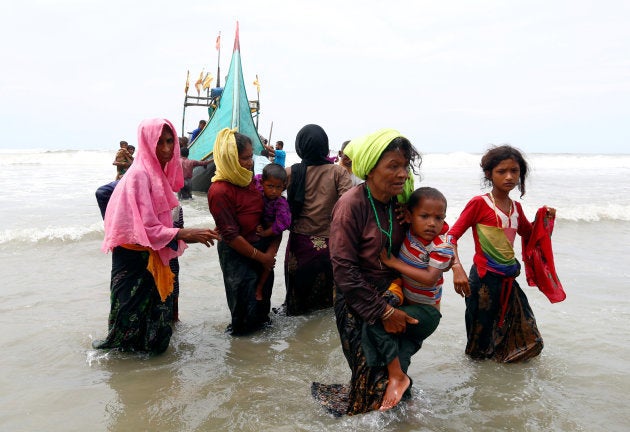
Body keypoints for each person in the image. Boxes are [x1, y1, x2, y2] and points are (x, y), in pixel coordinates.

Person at [311, 128, 427, 416]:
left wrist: (411, 221)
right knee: (372, 385)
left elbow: (430, 233)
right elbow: (343, 270)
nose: (402, 174)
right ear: (370, 169)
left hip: (394, 297)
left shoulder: (400, 205)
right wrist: (383, 313)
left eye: (405, 166)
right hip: (357, 303)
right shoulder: (350, 206)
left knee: (394, 375)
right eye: (393, 166)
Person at [93, 118, 220, 354]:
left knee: (153, 326)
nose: (165, 148)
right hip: (133, 260)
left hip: (149, 254)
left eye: (170, 141)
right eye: (158, 142)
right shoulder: (140, 174)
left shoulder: (155, 172)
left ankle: (152, 383)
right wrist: (186, 233)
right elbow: (148, 227)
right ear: (145, 142)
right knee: (128, 330)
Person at [449, 144, 556, 363]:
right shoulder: (479, 204)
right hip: (483, 281)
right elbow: (451, 237)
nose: (509, 177)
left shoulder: (515, 207)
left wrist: (544, 218)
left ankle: (499, 379)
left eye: (514, 171)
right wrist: (457, 269)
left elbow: (530, 234)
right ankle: (479, 381)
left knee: (526, 332)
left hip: (508, 279)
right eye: (501, 171)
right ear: (489, 174)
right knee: (480, 340)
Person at [372, 187, 453, 409]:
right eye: (424, 216)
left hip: (426, 314)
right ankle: (404, 405)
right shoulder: (410, 230)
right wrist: (400, 210)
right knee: (402, 353)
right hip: (409, 304)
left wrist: (393, 263)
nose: (431, 224)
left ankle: (397, 377)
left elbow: (429, 278)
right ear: (409, 216)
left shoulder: (440, 246)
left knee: (377, 320)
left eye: (439, 218)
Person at [207, 128, 278, 336]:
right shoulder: (219, 191)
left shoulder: (250, 181)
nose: (250, 162)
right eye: (245, 158)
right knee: (244, 310)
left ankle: (260, 360)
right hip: (238, 255)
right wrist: (262, 257)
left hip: (261, 251)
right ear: (229, 158)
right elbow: (230, 236)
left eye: (250, 157)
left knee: (263, 309)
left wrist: (268, 252)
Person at [283, 124, 352, 316]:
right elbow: (349, 205)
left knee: (297, 304)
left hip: (299, 245)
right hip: (329, 245)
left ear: (300, 147)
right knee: (326, 305)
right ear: (325, 146)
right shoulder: (338, 172)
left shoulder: (290, 172)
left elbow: (267, 196)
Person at [254, 163, 291, 300]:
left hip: (274, 234)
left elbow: (283, 224)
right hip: (261, 226)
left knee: (269, 260)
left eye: (278, 187)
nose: (274, 191)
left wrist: (265, 233)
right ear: (263, 183)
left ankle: (259, 288)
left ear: (283, 187)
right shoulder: (257, 186)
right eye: (270, 186)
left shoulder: (281, 203)